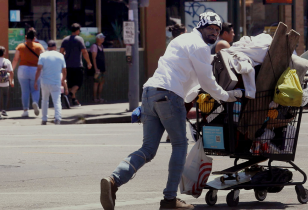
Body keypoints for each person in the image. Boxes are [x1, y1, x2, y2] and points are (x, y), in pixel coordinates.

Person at [100, 11, 242, 210]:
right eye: (210, 28)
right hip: (169, 95)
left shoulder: (180, 40)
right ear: (200, 27)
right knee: (180, 145)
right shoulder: (200, 47)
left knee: (148, 149)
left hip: (150, 93)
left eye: (217, 30)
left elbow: (189, 82)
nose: (214, 33)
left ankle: (113, 180)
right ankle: (169, 199)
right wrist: (229, 95)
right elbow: (207, 83)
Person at [12, 28, 44, 118]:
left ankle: (25, 110)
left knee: (25, 91)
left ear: (26, 37)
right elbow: (43, 59)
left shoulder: (20, 46)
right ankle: (35, 102)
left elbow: (15, 59)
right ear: (34, 38)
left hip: (23, 69)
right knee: (35, 89)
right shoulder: (39, 46)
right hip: (35, 70)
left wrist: (11, 70)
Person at [35, 40, 68, 125]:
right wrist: (63, 79)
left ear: (47, 47)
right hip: (56, 82)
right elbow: (64, 70)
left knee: (45, 100)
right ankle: (57, 118)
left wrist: (35, 81)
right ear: (55, 47)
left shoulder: (42, 55)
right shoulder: (60, 56)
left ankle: (44, 118)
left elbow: (39, 69)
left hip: (44, 81)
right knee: (57, 101)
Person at [60, 23, 92, 107]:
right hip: (77, 65)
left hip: (67, 65)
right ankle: (70, 95)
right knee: (78, 83)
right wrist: (88, 62)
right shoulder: (79, 39)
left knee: (70, 84)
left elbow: (61, 52)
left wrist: (65, 57)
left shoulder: (65, 40)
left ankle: (74, 101)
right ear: (77, 30)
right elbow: (84, 52)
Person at [89, 33, 107, 103]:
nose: (102, 39)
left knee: (101, 83)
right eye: (101, 37)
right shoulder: (94, 46)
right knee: (96, 83)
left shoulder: (102, 46)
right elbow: (93, 58)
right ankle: (95, 98)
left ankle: (99, 97)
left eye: (103, 37)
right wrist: (96, 68)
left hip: (102, 67)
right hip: (97, 68)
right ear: (97, 38)